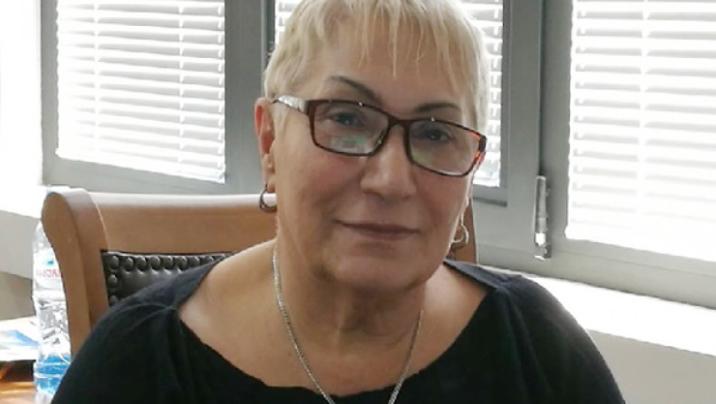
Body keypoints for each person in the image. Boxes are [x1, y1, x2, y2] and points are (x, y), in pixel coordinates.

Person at [53, 0, 624, 403]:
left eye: (434, 133)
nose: (391, 180)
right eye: (347, 119)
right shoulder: (137, 365)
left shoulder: (537, 350)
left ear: (470, 172)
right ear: (270, 142)